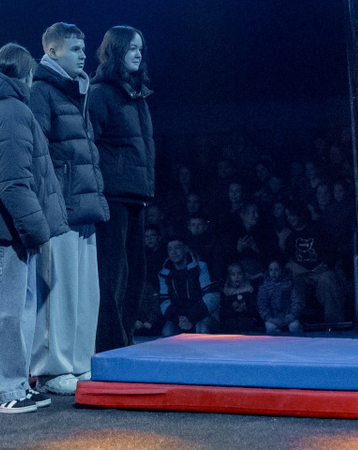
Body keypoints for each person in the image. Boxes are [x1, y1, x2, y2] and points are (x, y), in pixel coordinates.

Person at [0, 44, 67, 412]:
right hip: (7, 231)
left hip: (9, 230)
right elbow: (13, 183)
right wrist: (37, 230)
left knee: (16, 311)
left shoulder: (0, 108)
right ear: (25, 74)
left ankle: (15, 384)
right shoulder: (11, 111)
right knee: (4, 312)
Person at [27, 23, 111, 396]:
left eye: (83, 48)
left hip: (84, 205)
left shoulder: (79, 91)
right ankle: (51, 370)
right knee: (58, 295)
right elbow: (38, 154)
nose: (83, 55)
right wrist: (49, 205)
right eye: (75, 49)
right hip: (58, 207)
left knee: (84, 293)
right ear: (53, 51)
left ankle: (79, 362)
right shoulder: (41, 91)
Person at [87, 25, 155, 354]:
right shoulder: (101, 93)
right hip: (112, 194)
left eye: (140, 48)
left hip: (135, 194)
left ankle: (125, 339)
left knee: (135, 271)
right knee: (113, 272)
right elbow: (90, 143)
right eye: (131, 48)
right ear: (116, 51)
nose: (138, 54)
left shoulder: (137, 93)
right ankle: (110, 343)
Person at [157, 238, 217, 335]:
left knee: (202, 328)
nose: (173, 252)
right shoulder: (165, 273)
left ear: (185, 248)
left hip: (204, 314)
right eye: (170, 249)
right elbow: (164, 301)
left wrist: (190, 316)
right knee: (167, 331)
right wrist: (179, 318)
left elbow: (211, 297)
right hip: (179, 317)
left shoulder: (200, 266)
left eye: (177, 248)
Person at [257, 260, 303, 335]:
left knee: (294, 326)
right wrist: (270, 319)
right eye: (271, 270)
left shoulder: (290, 284)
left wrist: (289, 318)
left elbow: (296, 302)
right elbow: (262, 305)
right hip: (272, 319)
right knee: (271, 328)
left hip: (289, 317)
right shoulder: (264, 287)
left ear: (281, 270)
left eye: (276, 270)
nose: (273, 273)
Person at [213, 262, 260, 332]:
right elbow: (222, 312)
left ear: (243, 275)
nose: (237, 277)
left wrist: (245, 307)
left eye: (239, 274)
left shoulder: (249, 290)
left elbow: (255, 310)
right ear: (229, 277)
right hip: (230, 324)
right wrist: (232, 307)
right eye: (233, 274)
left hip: (247, 322)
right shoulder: (226, 292)